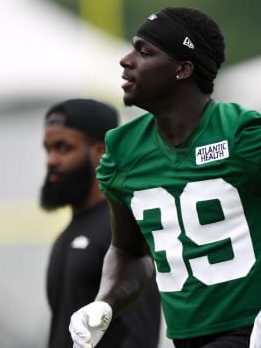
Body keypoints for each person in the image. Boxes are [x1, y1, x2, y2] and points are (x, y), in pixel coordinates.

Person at [69, 7, 261, 348]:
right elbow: (131, 252)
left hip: (259, 334)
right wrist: (106, 302)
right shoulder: (125, 151)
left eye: (145, 52)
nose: (126, 60)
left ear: (183, 69)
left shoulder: (239, 136)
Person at [40, 98, 161, 348]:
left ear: (100, 152)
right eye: (48, 148)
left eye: (63, 148)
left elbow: (141, 335)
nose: (50, 160)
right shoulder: (68, 235)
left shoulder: (121, 233)